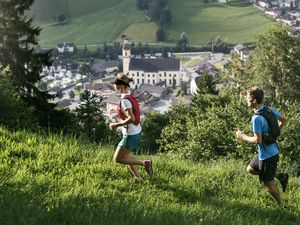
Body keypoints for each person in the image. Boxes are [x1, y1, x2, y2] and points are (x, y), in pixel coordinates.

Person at [236, 86, 288, 206]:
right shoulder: (268, 109)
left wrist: (242, 136)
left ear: (254, 100)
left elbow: (257, 140)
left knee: (268, 182)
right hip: (269, 151)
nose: (246, 100)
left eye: (248, 98)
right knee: (250, 169)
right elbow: (284, 120)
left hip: (268, 155)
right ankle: (281, 176)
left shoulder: (256, 118)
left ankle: (281, 206)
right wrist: (272, 135)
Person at [109, 73, 153, 179]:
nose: (114, 86)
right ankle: (138, 178)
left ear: (120, 86)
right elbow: (130, 109)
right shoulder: (129, 94)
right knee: (126, 157)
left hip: (130, 134)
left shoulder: (124, 100)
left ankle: (145, 163)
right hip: (136, 132)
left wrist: (116, 124)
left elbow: (131, 118)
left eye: (115, 84)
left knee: (118, 159)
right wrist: (117, 109)